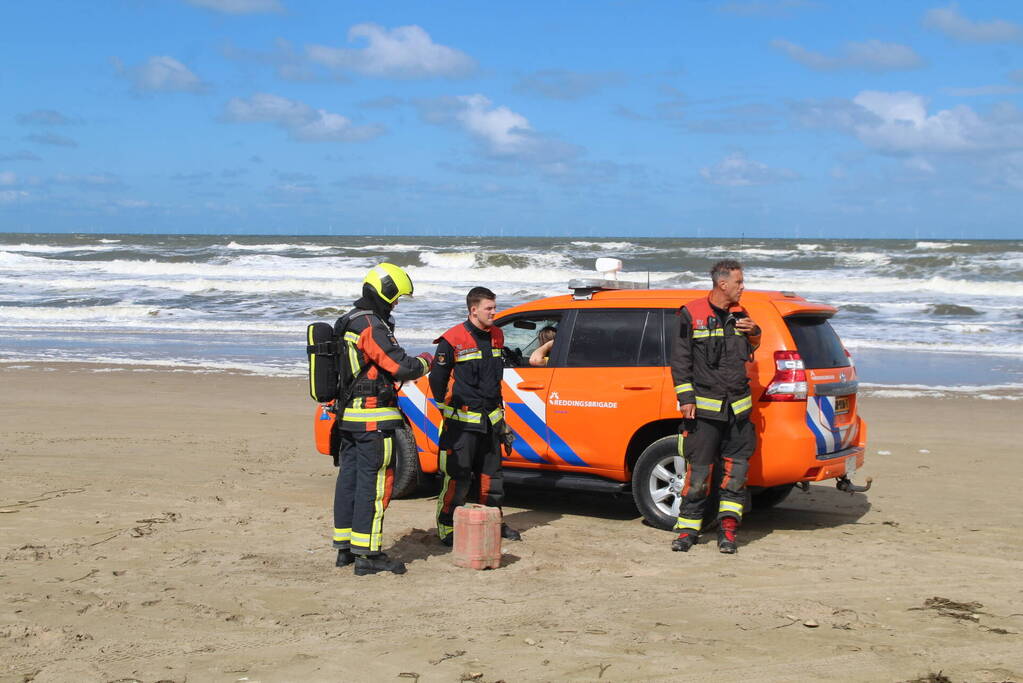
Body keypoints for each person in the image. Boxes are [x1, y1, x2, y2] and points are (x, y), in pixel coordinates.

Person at [332, 263, 433, 576]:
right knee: (375, 486)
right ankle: (369, 555)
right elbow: (399, 366)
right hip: (373, 420)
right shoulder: (370, 325)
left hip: (349, 419)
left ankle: (346, 548)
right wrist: (427, 362)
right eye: (395, 297)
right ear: (384, 291)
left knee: (348, 482)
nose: (396, 304)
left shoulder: (346, 320)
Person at [669, 259, 761, 554]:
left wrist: (754, 332)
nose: (743, 287)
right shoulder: (690, 314)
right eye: (739, 282)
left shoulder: (741, 314)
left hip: (738, 412)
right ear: (723, 284)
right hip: (704, 412)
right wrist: (686, 399)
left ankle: (728, 532)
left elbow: (750, 349)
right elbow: (680, 361)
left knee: (735, 474)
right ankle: (687, 531)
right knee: (698, 473)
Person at [431, 286, 521, 546]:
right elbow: (438, 381)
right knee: (457, 479)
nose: (494, 312)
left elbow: (495, 380)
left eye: (494, 307)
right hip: (461, 425)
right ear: (474, 310)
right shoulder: (452, 339)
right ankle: (447, 527)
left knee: (492, 480)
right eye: (489, 309)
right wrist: (447, 411)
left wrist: (501, 420)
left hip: (491, 423)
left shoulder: (497, 336)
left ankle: (494, 523)